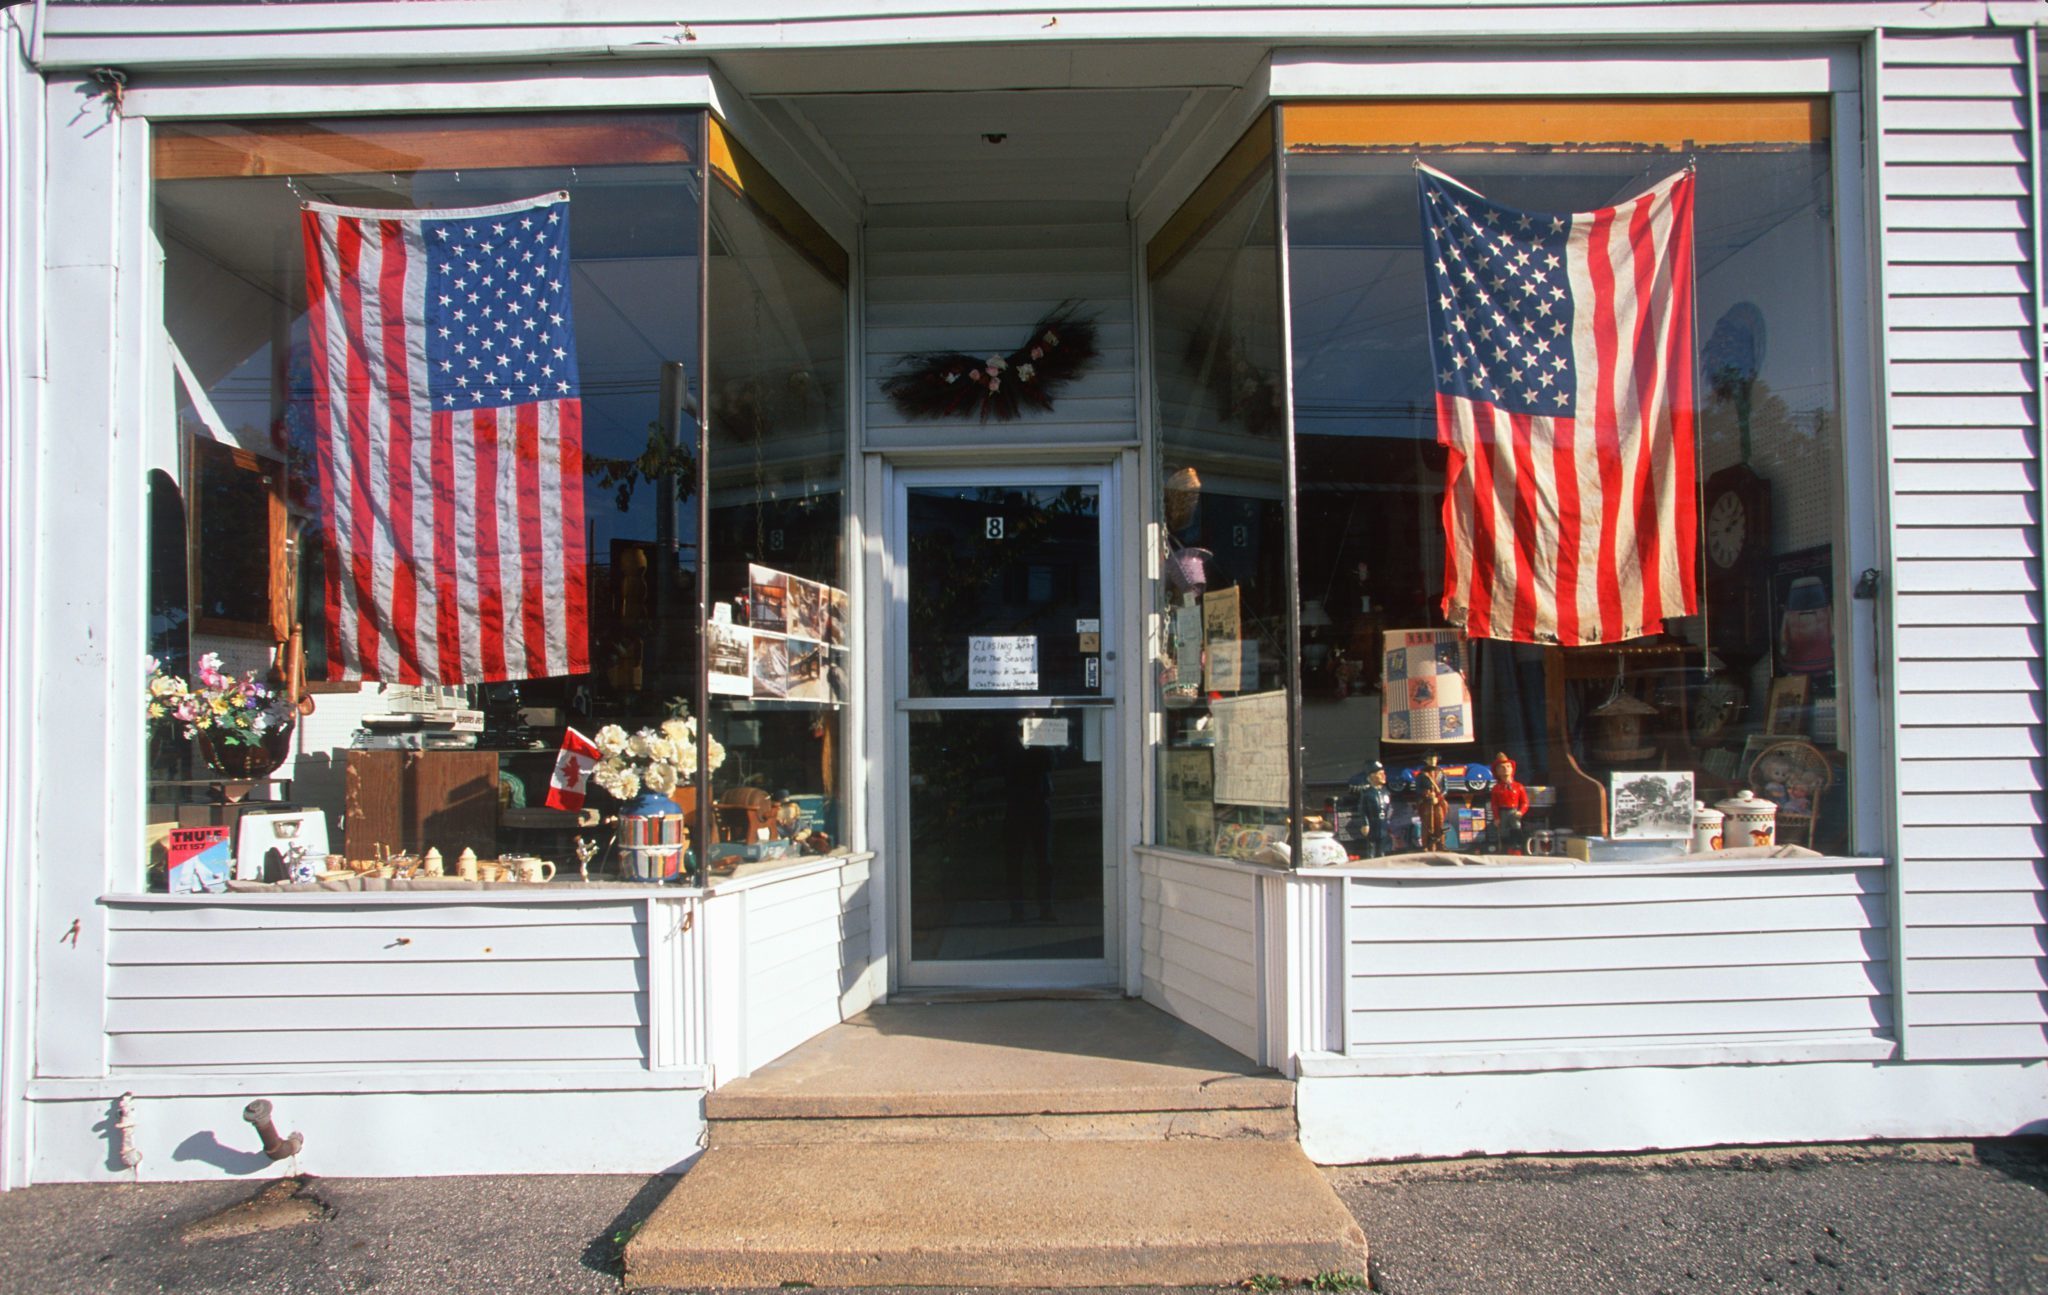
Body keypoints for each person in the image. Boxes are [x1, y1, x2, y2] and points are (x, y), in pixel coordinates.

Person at [1490, 751, 1530, 854]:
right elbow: (1494, 805)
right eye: (1502, 767)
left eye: (1508, 766)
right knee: (1503, 831)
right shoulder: (1496, 788)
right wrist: (1496, 817)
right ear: (1497, 771)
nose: (1505, 769)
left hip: (1514, 811)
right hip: (1503, 812)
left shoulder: (1518, 786)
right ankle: (1505, 849)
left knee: (1516, 828)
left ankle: (1517, 848)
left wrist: (1521, 812)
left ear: (1512, 769)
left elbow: (1525, 802)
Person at [1354, 761, 1393, 858]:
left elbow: (1389, 808)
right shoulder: (1367, 793)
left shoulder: (1386, 792)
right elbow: (1362, 810)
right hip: (1373, 825)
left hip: (1383, 825)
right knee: (1371, 847)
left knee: (1382, 847)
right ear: (1372, 776)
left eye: (1384, 773)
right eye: (1380, 774)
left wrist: (1389, 821)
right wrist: (1365, 823)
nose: (1383, 776)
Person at [1416, 754, 1449, 852]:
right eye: (1430, 759)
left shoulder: (1441, 773)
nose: (1433, 760)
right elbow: (1418, 789)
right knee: (1427, 824)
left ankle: (1440, 845)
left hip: (1438, 802)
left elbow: (1445, 789)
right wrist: (1426, 794)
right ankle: (1426, 845)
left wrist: (1438, 798)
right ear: (1426, 760)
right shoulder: (1421, 775)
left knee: (1440, 822)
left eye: (1434, 758)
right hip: (1426, 803)